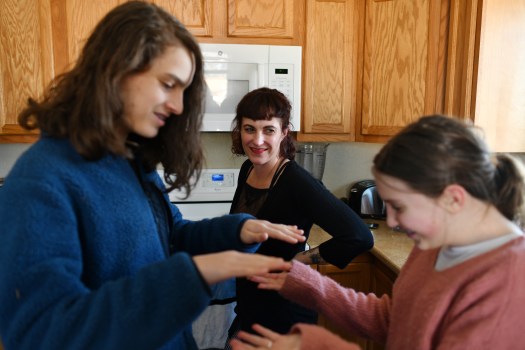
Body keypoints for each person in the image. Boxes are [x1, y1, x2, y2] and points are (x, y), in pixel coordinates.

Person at [0, 2, 307, 349]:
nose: (177, 105)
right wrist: (196, 274)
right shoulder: (41, 181)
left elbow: (173, 236)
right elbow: (41, 334)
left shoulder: (129, 163)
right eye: (167, 84)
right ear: (116, 70)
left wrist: (238, 230)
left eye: (183, 90)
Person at [230, 115, 525, 350]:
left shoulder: (510, 284)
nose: (393, 222)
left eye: (399, 206)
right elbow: (395, 319)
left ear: (454, 198)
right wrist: (312, 287)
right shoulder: (437, 242)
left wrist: (318, 345)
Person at [226, 87, 374, 338]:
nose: (257, 140)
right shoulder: (248, 169)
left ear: (284, 132)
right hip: (252, 305)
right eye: (249, 128)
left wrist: (299, 260)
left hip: (285, 313)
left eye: (268, 130)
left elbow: (359, 235)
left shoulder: (296, 182)